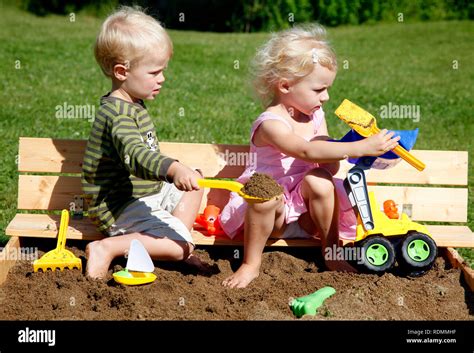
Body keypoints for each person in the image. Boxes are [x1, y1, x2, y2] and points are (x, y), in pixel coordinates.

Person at [219, 24, 400, 288]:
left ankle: (332, 252)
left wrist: (350, 145)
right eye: (318, 90)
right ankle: (251, 264)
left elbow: (327, 164)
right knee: (265, 193)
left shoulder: (316, 116)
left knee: (318, 179)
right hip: (273, 216)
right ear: (285, 85)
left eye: (327, 89)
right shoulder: (270, 123)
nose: (326, 97)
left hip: (307, 213)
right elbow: (306, 150)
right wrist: (359, 148)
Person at [82, 7, 204, 279]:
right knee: (180, 246)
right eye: (154, 72)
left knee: (196, 182)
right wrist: (172, 168)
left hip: (146, 194)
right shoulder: (117, 115)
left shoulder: (132, 104)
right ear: (122, 72)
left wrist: (181, 172)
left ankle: (175, 242)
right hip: (118, 206)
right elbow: (137, 157)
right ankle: (108, 247)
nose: (162, 78)